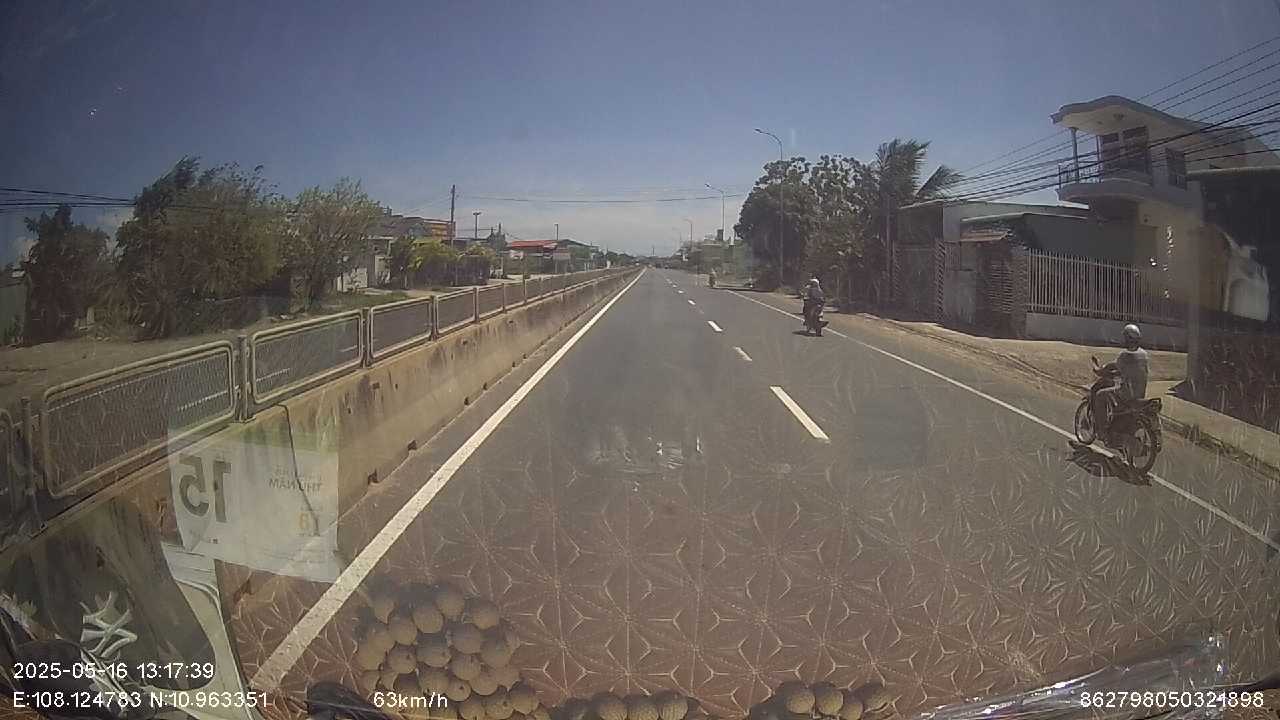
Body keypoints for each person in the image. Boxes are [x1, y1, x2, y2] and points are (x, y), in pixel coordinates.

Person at [1093, 323, 1150, 442]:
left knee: (1100, 395)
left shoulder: (1125, 355)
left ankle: (1102, 431)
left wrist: (1098, 369)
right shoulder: (1144, 354)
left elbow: (1112, 366)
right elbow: (1132, 369)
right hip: (1140, 393)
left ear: (1128, 339)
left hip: (1127, 393)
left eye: (1125, 337)